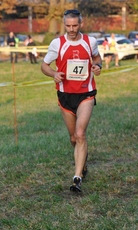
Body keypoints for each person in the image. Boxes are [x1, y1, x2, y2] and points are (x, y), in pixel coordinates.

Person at [41, 9, 102, 193]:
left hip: (86, 93)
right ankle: (82, 160)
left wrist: (98, 65)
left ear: (81, 24)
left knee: (81, 133)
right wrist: (54, 74)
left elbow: (97, 57)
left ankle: (77, 178)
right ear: (64, 24)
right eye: (68, 26)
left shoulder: (90, 41)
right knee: (74, 138)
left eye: (75, 25)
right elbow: (44, 65)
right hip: (65, 94)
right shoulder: (57, 43)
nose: (72, 29)